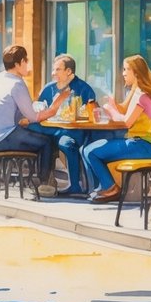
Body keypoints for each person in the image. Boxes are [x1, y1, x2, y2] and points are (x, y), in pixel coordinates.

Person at [0, 45, 71, 197]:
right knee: (47, 141)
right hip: (4, 137)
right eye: (26, 61)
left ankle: (37, 180)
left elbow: (10, 109)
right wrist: (59, 101)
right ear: (18, 64)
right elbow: (33, 117)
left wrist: (24, 117)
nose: (27, 64)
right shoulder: (17, 83)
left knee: (36, 136)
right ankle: (44, 183)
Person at [81, 55, 151, 204]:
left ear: (136, 73)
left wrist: (111, 110)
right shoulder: (136, 91)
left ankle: (110, 188)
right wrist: (113, 105)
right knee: (87, 150)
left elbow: (127, 122)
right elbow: (124, 110)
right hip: (140, 142)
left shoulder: (142, 96)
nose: (123, 73)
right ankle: (104, 187)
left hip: (147, 145)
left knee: (90, 151)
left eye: (126, 69)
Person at [29, 54, 97, 196]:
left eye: (58, 70)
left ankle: (75, 185)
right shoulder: (49, 88)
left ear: (69, 71)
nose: (53, 73)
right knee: (31, 129)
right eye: (53, 70)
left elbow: (92, 113)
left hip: (73, 131)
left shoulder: (83, 89)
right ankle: (43, 181)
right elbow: (40, 107)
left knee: (67, 143)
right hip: (52, 130)